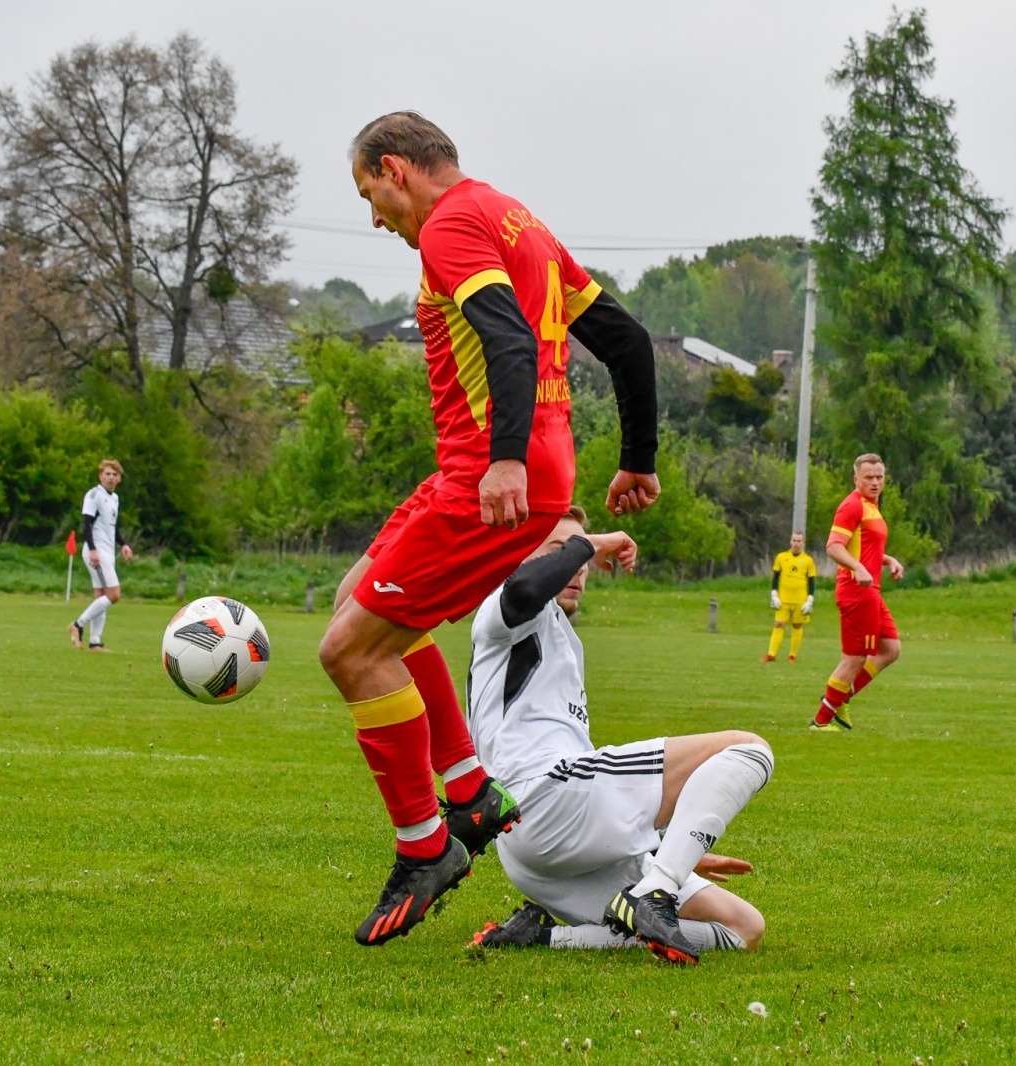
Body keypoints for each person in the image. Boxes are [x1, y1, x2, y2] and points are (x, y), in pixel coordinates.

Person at [321, 111, 660, 947]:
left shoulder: (450, 225)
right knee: (352, 609)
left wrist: (505, 459)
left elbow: (505, 336)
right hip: (509, 468)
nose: (376, 218)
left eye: (370, 195)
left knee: (349, 653)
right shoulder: (520, 220)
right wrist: (637, 459)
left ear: (395, 169)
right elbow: (627, 339)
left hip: (490, 473)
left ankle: (425, 847)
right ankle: (470, 788)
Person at [466, 508, 771, 965]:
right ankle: (655, 893)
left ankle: (537, 937)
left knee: (742, 929)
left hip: (542, 845)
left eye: (580, 559)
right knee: (748, 749)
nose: (578, 567)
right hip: (547, 797)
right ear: (520, 555)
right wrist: (592, 542)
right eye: (562, 551)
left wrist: (674, 846)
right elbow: (525, 588)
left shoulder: (560, 636)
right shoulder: (504, 612)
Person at [808, 454, 904, 732]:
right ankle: (821, 720)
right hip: (856, 591)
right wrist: (858, 568)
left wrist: (887, 560)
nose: (875, 482)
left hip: (871, 590)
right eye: (869, 478)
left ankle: (838, 699)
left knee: (890, 649)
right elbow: (834, 547)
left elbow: (861, 545)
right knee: (855, 657)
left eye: (879, 477)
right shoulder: (851, 506)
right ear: (856, 479)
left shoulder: (871, 506)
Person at [68, 460, 133, 652]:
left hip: (107, 552)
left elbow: (112, 526)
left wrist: (124, 544)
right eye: (107, 474)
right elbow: (86, 523)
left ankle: (95, 642)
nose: (111, 477)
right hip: (96, 552)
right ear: (100, 476)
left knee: (101, 596)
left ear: (119, 478)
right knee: (114, 595)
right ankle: (78, 624)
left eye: (114, 474)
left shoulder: (114, 498)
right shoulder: (94, 494)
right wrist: (93, 549)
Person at [764, 531, 817, 662]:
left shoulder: (808, 560)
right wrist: (774, 595)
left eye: (799, 541)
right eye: (794, 540)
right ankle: (771, 654)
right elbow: (775, 577)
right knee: (779, 624)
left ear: (803, 543)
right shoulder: (781, 557)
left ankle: (792, 655)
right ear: (790, 541)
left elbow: (811, 582)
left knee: (797, 625)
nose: (796, 544)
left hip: (800, 600)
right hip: (783, 599)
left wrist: (810, 600)